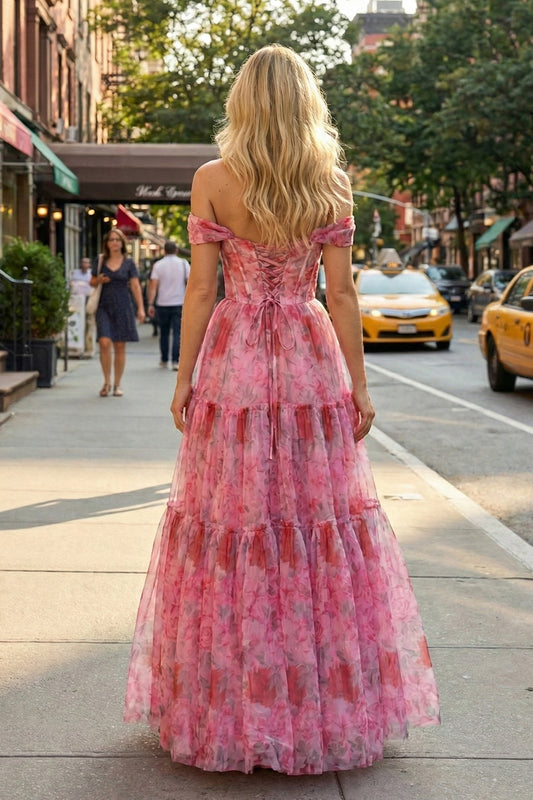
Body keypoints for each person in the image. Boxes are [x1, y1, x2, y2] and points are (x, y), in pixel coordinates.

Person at [124, 45, 439, 775]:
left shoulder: (210, 179)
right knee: (313, 521)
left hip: (236, 360)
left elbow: (201, 292)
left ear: (241, 102)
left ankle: (230, 706)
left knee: (232, 519)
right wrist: (359, 387)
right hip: (305, 355)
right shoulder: (328, 182)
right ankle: (317, 705)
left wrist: (184, 377)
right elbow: (343, 294)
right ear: (305, 103)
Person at [90, 229, 145, 397]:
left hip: (123, 306)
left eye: (117, 240)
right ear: (107, 243)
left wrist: (141, 308)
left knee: (120, 346)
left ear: (122, 243)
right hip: (104, 307)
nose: (114, 242)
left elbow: (135, 286)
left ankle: (117, 384)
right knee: (104, 342)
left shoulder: (129, 263)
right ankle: (106, 382)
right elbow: (92, 282)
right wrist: (99, 280)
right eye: (111, 239)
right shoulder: (100, 260)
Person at [147, 240, 190, 369]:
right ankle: (176, 361)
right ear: (176, 251)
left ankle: (164, 359)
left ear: (164, 251)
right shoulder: (183, 264)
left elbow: (153, 286)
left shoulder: (158, 265)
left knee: (164, 333)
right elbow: (189, 283)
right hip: (179, 302)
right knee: (177, 332)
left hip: (162, 303)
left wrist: (150, 304)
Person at [70, 257, 95, 357]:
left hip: (88, 300)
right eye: (83, 262)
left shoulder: (91, 274)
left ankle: (89, 349)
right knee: (77, 323)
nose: (84, 264)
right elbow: (72, 285)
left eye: (87, 262)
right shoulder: (75, 273)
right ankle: (77, 347)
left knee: (89, 324)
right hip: (77, 302)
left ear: (89, 264)